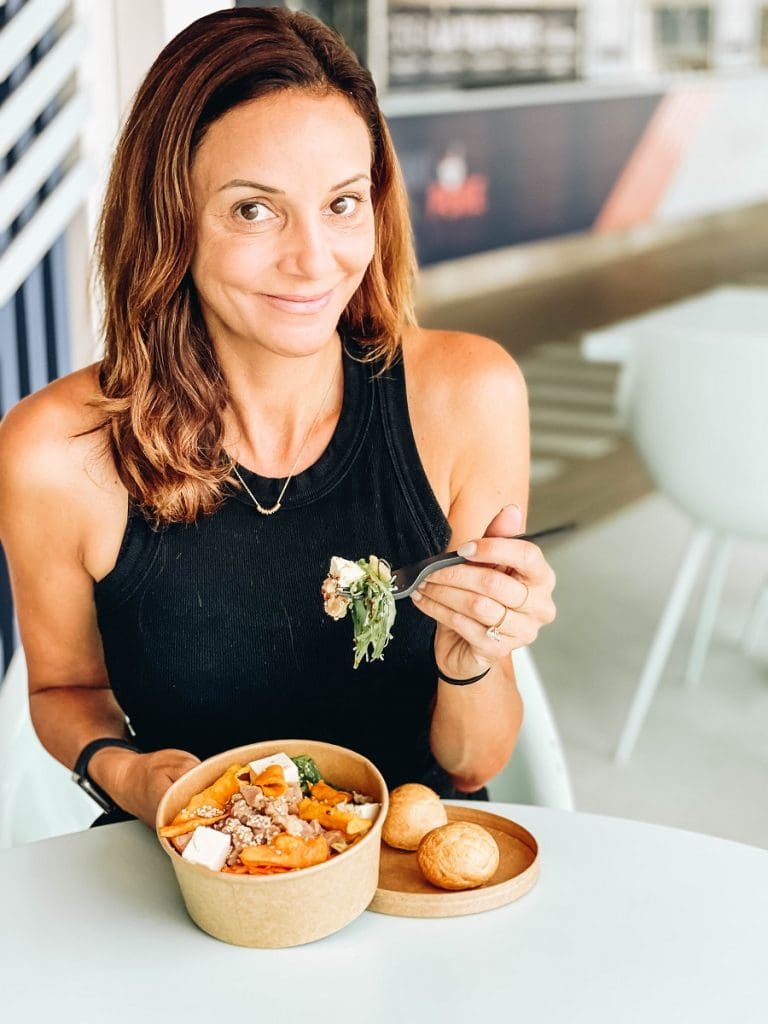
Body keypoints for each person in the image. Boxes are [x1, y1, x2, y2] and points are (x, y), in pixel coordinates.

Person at [0, 7, 556, 829]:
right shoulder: (56, 451)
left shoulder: (468, 395)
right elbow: (64, 692)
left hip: (404, 872)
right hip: (181, 869)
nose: (312, 259)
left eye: (341, 203)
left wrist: (475, 658)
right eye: (253, 210)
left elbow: (473, 763)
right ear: (171, 218)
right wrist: (131, 776)